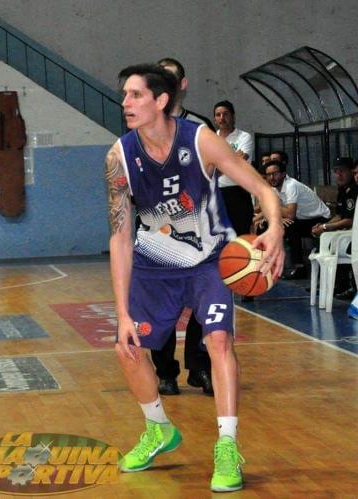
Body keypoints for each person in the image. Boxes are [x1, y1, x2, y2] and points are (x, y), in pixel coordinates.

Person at [106, 63, 284, 492]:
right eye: (125, 95)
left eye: (135, 95)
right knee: (127, 349)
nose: (125, 103)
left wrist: (274, 227)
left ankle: (226, 445)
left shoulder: (201, 140)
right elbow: (120, 235)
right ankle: (158, 429)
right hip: (154, 264)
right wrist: (121, 312)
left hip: (209, 261)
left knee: (219, 340)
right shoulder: (118, 157)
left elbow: (262, 189)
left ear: (160, 100)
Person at [153, 57, 215, 396]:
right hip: (157, 231)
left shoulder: (201, 127)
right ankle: (165, 372)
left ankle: (199, 368)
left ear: (183, 84)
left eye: (170, 78)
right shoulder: (141, 128)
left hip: (198, 228)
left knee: (203, 304)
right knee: (162, 307)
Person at [262, 159, 330, 279]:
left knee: (290, 225)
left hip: (320, 218)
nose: (272, 177)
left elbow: (289, 215)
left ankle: (300, 267)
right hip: (302, 219)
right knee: (265, 225)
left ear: (283, 174)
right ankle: (267, 266)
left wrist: (275, 207)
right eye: (268, 174)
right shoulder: (273, 188)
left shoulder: (291, 185)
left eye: (275, 173)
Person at [310, 157, 358, 296]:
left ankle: (344, 284)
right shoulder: (343, 189)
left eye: (342, 171)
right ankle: (331, 283)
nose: (339, 175)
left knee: (334, 242)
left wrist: (326, 227)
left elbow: (349, 220)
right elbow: (340, 215)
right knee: (321, 237)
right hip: (349, 231)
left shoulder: (354, 190)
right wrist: (324, 225)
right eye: (336, 171)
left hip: (352, 233)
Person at [213, 100, 255, 236]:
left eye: (225, 114)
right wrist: (232, 160)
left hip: (239, 193)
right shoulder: (210, 139)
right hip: (216, 193)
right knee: (219, 237)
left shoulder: (244, 137)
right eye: (218, 115)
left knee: (240, 236)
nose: (222, 118)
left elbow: (240, 164)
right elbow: (206, 169)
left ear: (233, 116)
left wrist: (218, 164)